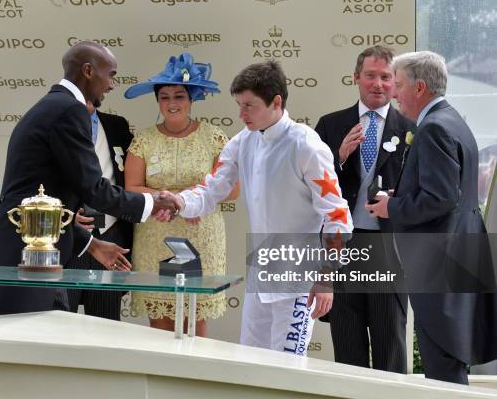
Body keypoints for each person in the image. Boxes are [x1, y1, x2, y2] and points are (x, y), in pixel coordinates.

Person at [0, 41, 177, 316]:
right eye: (111, 75)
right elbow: (94, 189)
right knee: (27, 346)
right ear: (88, 71)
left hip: (28, 246)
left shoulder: (54, 105)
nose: (112, 85)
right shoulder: (70, 110)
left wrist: (90, 243)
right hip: (29, 253)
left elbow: (48, 198)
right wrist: (152, 202)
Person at [167, 60, 353, 355]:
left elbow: (337, 215)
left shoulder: (307, 146)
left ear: (276, 102)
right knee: (250, 361)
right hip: (261, 270)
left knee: (288, 366)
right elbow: (212, 189)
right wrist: (179, 202)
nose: (240, 114)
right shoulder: (242, 141)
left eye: (249, 106)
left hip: (298, 275)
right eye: (239, 105)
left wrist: (327, 275)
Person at [366, 50, 497, 384]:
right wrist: (403, 197)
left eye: (398, 85)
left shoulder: (433, 128)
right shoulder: (452, 120)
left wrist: (390, 208)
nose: (393, 94)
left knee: (444, 369)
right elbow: (448, 194)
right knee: (449, 361)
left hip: (440, 263)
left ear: (419, 87)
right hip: (458, 255)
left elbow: (440, 199)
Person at [123, 53, 238, 336]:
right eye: (165, 97)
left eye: (179, 96)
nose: (172, 104)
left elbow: (231, 190)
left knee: (195, 317)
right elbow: (132, 188)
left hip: (200, 235)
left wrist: (187, 203)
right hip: (155, 234)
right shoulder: (143, 140)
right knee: (159, 318)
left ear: (191, 99)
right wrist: (169, 198)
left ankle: (195, 379)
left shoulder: (214, 137)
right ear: (158, 101)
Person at [315, 45, 411, 373]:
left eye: (386, 77)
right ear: (356, 77)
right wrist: (338, 157)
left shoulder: (412, 128)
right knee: (347, 344)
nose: (378, 83)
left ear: (396, 82)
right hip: (342, 246)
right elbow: (314, 187)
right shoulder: (330, 125)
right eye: (370, 75)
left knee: (390, 344)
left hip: (389, 248)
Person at [68, 102, 135, 320]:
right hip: (71, 238)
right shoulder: (57, 124)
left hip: (111, 234)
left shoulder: (117, 126)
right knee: (59, 319)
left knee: (107, 325)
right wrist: (66, 213)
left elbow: (128, 178)